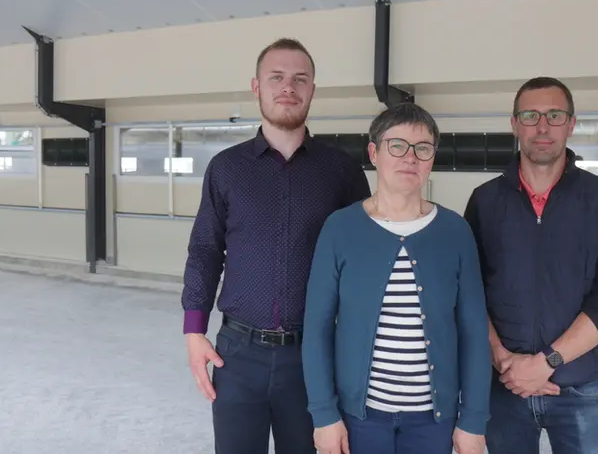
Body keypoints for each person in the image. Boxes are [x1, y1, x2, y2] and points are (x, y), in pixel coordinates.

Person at [181, 37, 372, 454]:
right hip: (237, 355)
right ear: (256, 87)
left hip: (314, 357)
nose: (289, 87)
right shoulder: (226, 169)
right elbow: (204, 251)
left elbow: (362, 263)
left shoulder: (340, 171)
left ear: (312, 91)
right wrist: (194, 331)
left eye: (300, 79)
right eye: (277, 77)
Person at [302, 103, 491, 454]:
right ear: (374, 152)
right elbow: (317, 327)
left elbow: (474, 330)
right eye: (397, 145)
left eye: (423, 148)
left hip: (434, 422)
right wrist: (324, 415)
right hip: (360, 418)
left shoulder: (455, 231)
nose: (411, 157)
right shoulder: (340, 229)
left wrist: (473, 420)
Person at [463, 76, 598, 454]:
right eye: (531, 115)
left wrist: (546, 363)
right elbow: (469, 293)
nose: (542, 127)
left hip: (579, 389)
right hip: (503, 390)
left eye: (554, 115)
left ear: (571, 124)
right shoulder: (485, 201)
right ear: (514, 124)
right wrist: (504, 361)